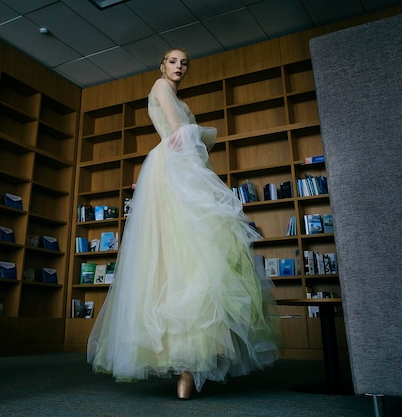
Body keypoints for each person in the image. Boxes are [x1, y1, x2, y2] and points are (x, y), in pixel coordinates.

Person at [87, 47, 280, 400]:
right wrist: (206, 133)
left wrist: (200, 136)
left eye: (184, 62)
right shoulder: (160, 85)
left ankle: (191, 363)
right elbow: (178, 132)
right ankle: (186, 366)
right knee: (180, 254)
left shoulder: (176, 95)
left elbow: (187, 135)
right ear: (163, 65)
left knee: (195, 256)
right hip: (173, 167)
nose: (179, 67)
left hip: (183, 167)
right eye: (173, 61)